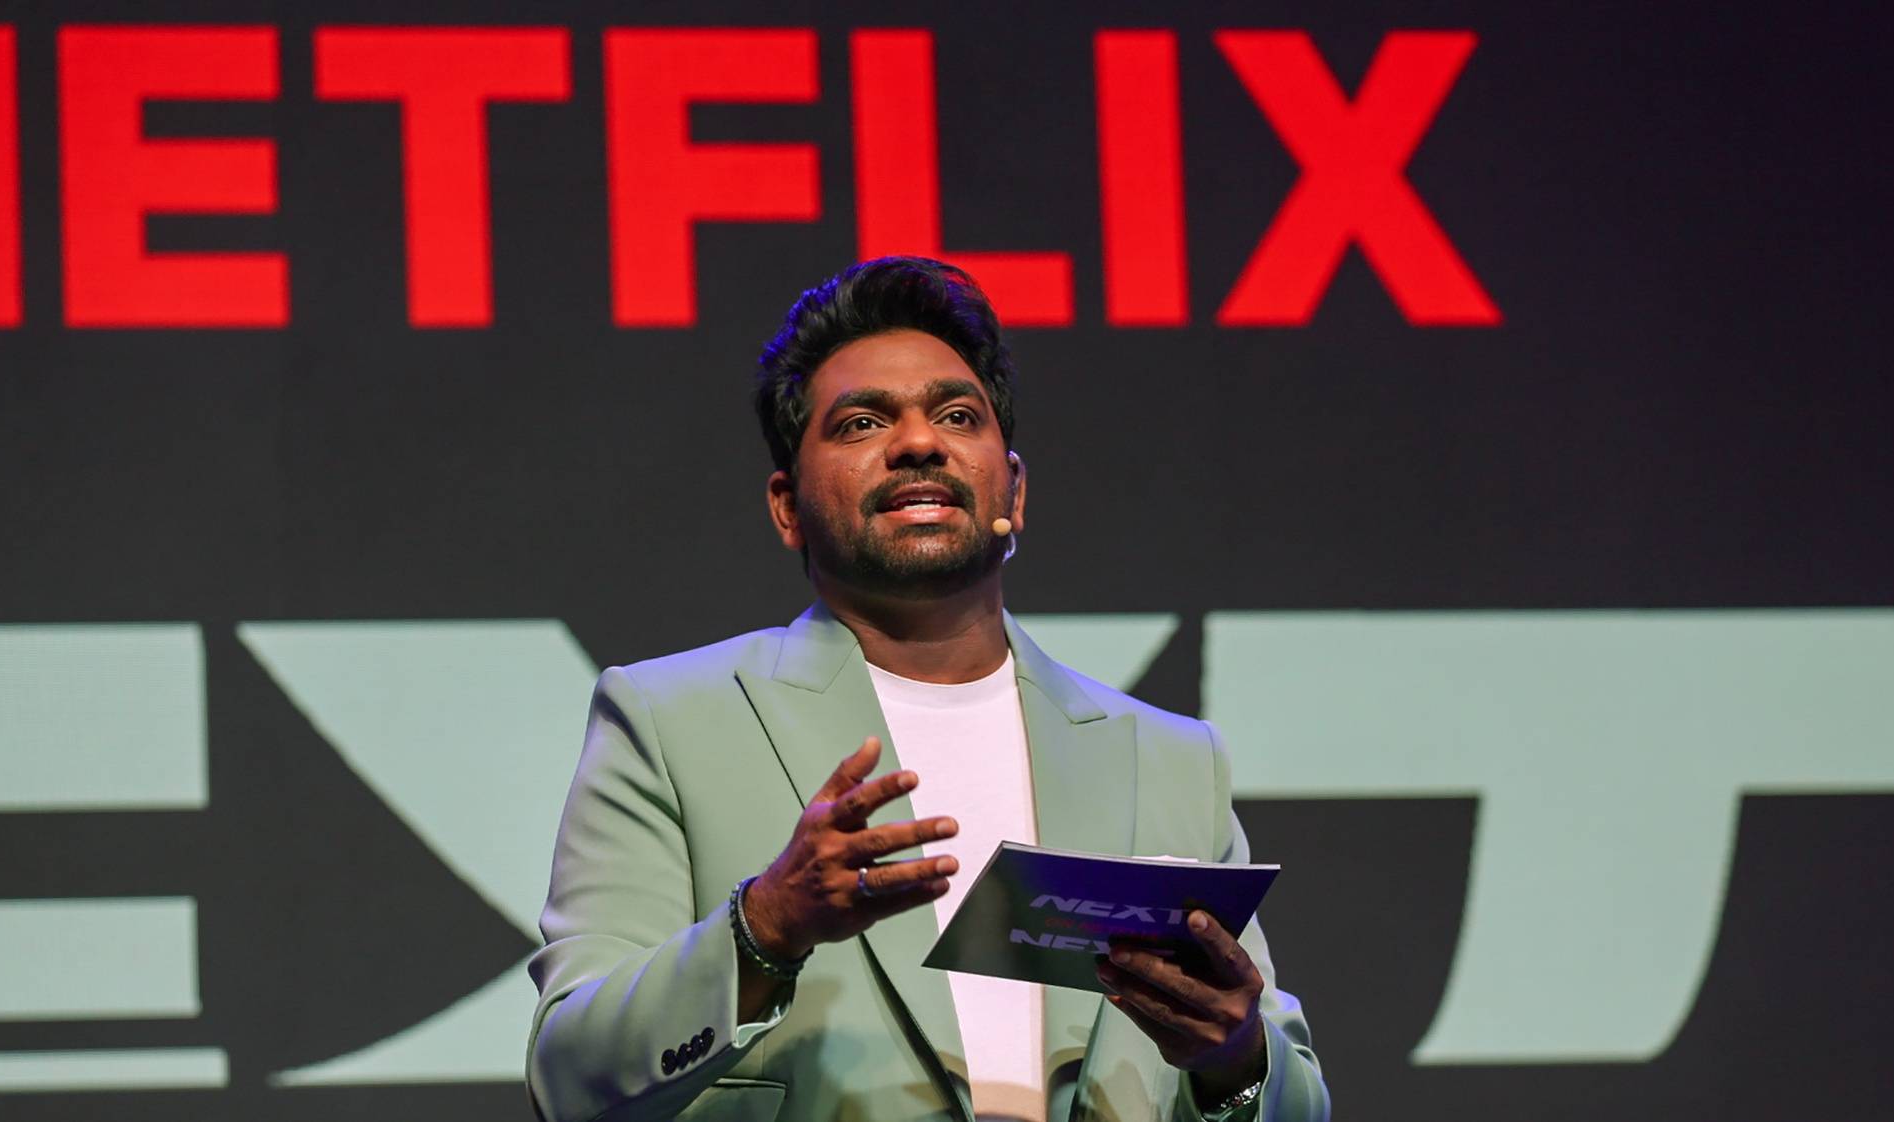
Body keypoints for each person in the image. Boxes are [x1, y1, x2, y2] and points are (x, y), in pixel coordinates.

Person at [525, 257, 1327, 1122]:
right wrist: (764, 931)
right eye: (862, 421)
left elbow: (1296, 1103)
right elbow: (572, 1076)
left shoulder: (1168, 758)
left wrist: (1234, 1060)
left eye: (955, 414)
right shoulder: (670, 721)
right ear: (787, 506)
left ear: (1012, 491)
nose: (917, 441)